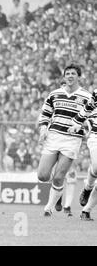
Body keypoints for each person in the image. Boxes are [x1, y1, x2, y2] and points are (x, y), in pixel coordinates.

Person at [37, 64, 93, 217]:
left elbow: (91, 119)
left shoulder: (87, 97)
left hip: (72, 140)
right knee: (42, 175)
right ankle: (58, 191)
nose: (70, 76)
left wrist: (82, 125)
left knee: (59, 175)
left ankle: (48, 207)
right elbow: (45, 114)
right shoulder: (54, 94)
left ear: (78, 77)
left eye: (73, 73)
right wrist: (43, 129)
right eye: (67, 73)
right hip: (54, 137)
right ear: (64, 77)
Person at [69, 88, 97, 221]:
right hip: (96, 135)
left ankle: (86, 211)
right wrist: (76, 123)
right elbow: (87, 108)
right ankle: (88, 187)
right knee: (96, 167)